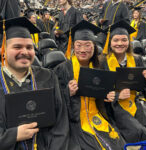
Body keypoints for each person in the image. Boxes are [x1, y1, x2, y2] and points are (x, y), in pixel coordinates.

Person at [55, 20, 126, 150]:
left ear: (94, 47)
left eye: (88, 45)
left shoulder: (101, 66)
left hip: (98, 114)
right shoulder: (62, 69)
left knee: (117, 143)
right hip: (75, 120)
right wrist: (67, 92)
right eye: (78, 45)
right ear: (73, 46)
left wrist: (111, 96)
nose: (83, 50)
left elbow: (111, 91)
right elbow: (54, 100)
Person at [0, 17, 69, 150]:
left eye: (29, 47)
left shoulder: (48, 76)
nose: (25, 52)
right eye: (17, 47)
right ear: (3, 50)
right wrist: (13, 135)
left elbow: (61, 124)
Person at [99, 20, 146, 142]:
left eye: (124, 40)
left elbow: (143, 88)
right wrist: (117, 95)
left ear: (129, 42)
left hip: (135, 102)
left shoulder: (137, 60)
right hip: (113, 107)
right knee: (138, 131)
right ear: (110, 42)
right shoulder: (102, 62)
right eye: (116, 40)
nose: (120, 43)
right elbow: (99, 90)